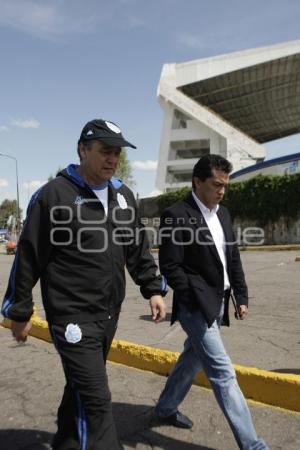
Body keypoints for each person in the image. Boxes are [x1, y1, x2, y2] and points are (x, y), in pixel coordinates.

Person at [2, 119, 167, 450]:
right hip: (71, 316)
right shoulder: (53, 195)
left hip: (108, 313)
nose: (112, 159)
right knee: (96, 400)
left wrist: (153, 288)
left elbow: (137, 247)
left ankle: (67, 442)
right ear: (82, 150)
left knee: (80, 387)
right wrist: (19, 311)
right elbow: (29, 257)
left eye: (116, 153)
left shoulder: (123, 195)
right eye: (105, 151)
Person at [154, 154, 268, 450]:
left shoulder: (223, 214)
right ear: (198, 182)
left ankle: (165, 407)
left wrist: (240, 295)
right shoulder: (176, 214)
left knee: (191, 360)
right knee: (222, 372)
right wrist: (191, 296)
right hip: (195, 307)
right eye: (216, 184)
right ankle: (253, 445)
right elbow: (170, 265)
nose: (222, 191)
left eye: (225, 185)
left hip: (219, 302)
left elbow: (232, 258)